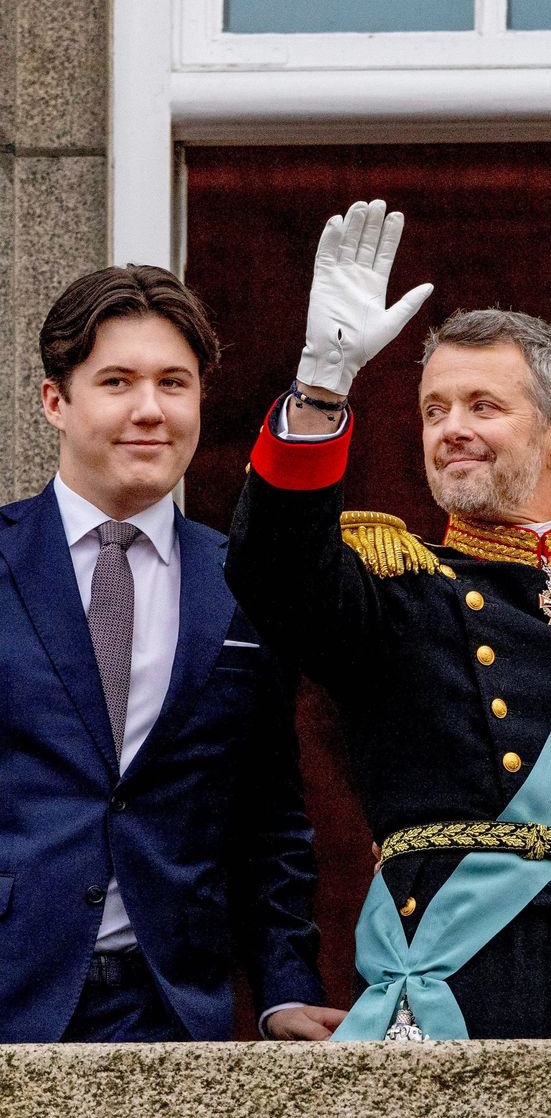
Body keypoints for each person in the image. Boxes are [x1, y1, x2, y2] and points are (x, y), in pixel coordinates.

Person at [226, 200, 551, 1040]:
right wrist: (322, 386)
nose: (452, 430)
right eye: (435, 409)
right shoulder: (398, 586)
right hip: (460, 975)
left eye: (483, 406)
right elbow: (274, 569)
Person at [0, 264, 341, 1042]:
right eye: (117, 381)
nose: (149, 410)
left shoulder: (245, 582)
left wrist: (284, 989)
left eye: (174, 384)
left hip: (172, 1008)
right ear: (56, 400)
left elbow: (269, 819)